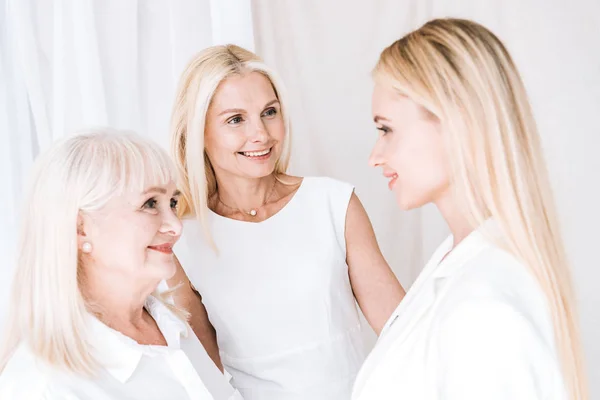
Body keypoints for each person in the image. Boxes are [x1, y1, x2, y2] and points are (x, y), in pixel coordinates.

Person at [351, 18, 587, 400]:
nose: (375, 156)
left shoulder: (486, 305)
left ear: (454, 121)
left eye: (386, 129)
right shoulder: (458, 265)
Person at [167, 44, 405, 399]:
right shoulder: (181, 239)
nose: (261, 134)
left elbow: (405, 333)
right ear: (198, 132)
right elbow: (207, 375)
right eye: (235, 119)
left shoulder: (332, 204)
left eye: (269, 112)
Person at [0, 129, 241, 400]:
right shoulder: (43, 386)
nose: (175, 225)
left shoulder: (171, 327)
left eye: (172, 202)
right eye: (150, 203)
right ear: (81, 229)